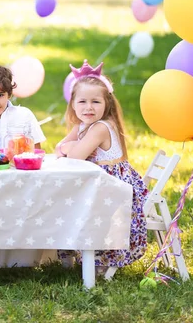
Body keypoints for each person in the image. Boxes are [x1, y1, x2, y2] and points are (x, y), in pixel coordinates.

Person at [56, 60, 148, 272]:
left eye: (95, 102)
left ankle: (97, 258)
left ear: (106, 104)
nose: (88, 107)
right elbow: (59, 149)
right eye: (82, 102)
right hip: (97, 186)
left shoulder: (102, 127)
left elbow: (75, 154)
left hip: (116, 190)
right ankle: (71, 257)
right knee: (65, 200)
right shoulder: (82, 126)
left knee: (72, 204)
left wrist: (70, 147)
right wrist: (69, 146)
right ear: (73, 104)